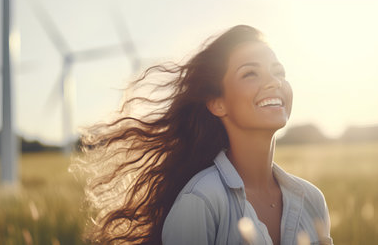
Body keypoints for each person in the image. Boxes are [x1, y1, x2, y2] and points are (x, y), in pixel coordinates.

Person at [74, 25, 333, 245]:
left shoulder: (312, 200)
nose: (274, 82)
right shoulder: (200, 201)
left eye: (279, 72)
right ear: (217, 103)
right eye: (250, 73)